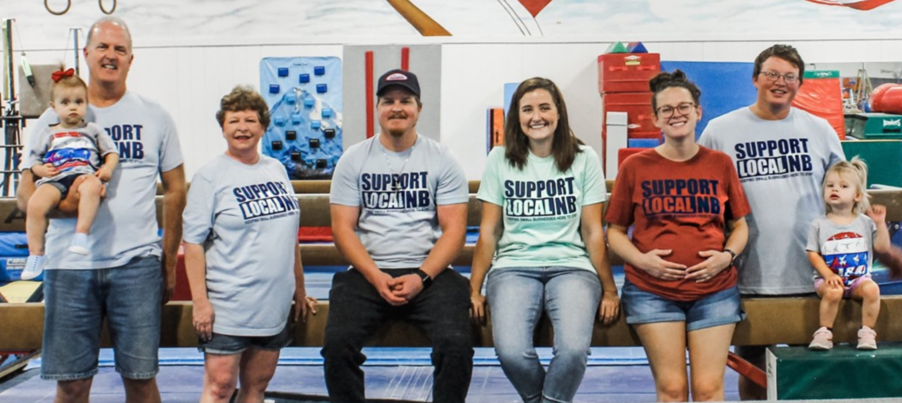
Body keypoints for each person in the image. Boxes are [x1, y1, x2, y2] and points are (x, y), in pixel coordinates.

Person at [16, 16, 186, 403]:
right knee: (71, 383)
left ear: (130, 58)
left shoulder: (154, 115)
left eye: (120, 49)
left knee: (141, 379)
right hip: (69, 266)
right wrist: (64, 205)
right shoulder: (52, 119)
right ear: (87, 54)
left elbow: (176, 190)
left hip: (136, 264)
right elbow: (24, 195)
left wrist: (169, 259)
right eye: (103, 48)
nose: (111, 55)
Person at [699, 44, 844, 399]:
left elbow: (846, 191)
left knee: (809, 369)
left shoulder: (820, 129)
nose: (780, 82)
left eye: (789, 76)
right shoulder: (721, 130)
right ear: (755, 79)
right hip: (749, 271)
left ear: (799, 83)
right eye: (772, 74)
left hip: (810, 271)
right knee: (752, 364)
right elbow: (700, 191)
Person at [323, 69, 473, 403]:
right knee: (336, 346)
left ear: (419, 108)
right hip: (367, 273)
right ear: (377, 108)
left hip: (430, 273)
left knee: (457, 345)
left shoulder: (442, 159)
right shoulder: (353, 160)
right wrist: (375, 276)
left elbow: (454, 231)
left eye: (405, 100)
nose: (397, 108)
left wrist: (421, 276)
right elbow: (343, 229)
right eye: (388, 101)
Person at [469, 77, 620, 403]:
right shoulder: (500, 158)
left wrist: (609, 288)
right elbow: (489, 231)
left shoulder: (584, 157)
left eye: (544, 107)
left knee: (573, 349)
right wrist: (475, 288)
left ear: (559, 112)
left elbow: (593, 231)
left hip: (572, 267)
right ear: (517, 117)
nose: (536, 116)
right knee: (510, 350)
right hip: (513, 266)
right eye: (527, 109)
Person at [605, 70, 750, 402]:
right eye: (667, 109)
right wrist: (643, 261)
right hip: (653, 292)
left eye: (684, 106)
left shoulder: (720, 164)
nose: (676, 114)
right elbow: (614, 231)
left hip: (713, 291)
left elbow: (740, 225)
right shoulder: (636, 167)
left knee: (708, 388)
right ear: (656, 118)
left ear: (698, 112)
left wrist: (725, 257)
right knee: (671, 388)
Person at [183, 86, 316, 403]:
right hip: (230, 305)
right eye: (233, 120)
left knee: (257, 386)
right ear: (223, 127)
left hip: (273, 304)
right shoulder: (210, 176)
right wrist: (200, 302)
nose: (242, 127)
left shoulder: (276, 170)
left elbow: (288, 236)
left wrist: (298, 287)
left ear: (263, 127)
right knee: (220, 387)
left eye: (250, 120)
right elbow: (192, 243)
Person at [22, 69, 119, 280]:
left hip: (83, 175)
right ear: (53, 107)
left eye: (79, 101)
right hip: (54, 178)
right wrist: (40, 170)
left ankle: (81, 235)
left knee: (93, 187)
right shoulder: (47, 132)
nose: (73, 107)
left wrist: (108, 168)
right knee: (35, 205)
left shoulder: (92, 130)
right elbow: (34, 160)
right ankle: (36, 254)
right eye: (65, 103)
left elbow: (111, 152)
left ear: (86, 104)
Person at [807, 158, 902, 351]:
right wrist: (828, 275)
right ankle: (824, 332)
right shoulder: (819, 223)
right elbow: (813, 253)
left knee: (872, 289)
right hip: (828, 281)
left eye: (843, 186)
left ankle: (867, 332)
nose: (835, 189)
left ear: (857, 195)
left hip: (858, 280)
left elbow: (882, 247)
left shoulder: (865, 222)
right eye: (830, 186)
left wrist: (881, 224)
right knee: (834, 292)